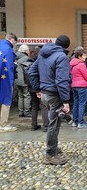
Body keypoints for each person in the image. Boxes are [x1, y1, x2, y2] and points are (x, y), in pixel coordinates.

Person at [29, 35, 71, 165]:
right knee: (54, 123)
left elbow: (31, 71)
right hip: (54, 94)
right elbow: (62, 80)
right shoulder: (61, 57)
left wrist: (37, 89)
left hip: (45, 93)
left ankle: (53, 147)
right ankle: (51, 153)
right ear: (66, 46)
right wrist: (65, 100)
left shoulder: (43, 54)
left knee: (54, 121)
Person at [70, 47, 87, 128]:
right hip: (82, 86)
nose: (85, 56)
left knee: (75, 104)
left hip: (74, 86)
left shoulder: (72, 64)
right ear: (79, 56)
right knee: (82, 104)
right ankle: (81, 122)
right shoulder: (81, 64)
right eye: (84, 55)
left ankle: (74, 121)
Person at [27, 47, 49, 131]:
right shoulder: (40, 63)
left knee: (34, 106)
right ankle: (46, 126)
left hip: (31, 87)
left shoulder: (27, 62)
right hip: (40, 87)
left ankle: (33, 125)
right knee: (44, 106)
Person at [0, 32, 18, 132]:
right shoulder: (8, 50)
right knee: (5, 99)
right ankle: (3, 124)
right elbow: (9, 67)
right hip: (4, 78)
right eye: (15, 42)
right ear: (12, 40)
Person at [15, 44, 32, 117]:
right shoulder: (26, 58)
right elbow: (28, 70)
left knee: (20, 95)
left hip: (16, 80)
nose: (29, 52)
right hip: (24, 80)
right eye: (28, 50)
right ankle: (27, 112)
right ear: (25, 51)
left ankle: (20, 112)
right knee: (27, 95)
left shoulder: (15, 57)